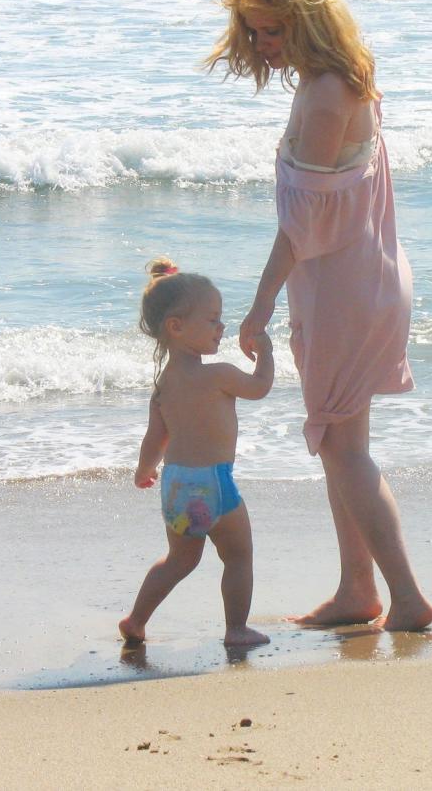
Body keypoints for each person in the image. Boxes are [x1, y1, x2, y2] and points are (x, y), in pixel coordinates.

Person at [205, 0, 432, 632]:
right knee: (340, 440)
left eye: (273, 28)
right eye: (254, 29)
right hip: (352, 277)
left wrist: (259, 303)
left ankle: (407, 597)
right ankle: (356, 592)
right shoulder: (337, 79)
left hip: (345, 288)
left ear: (306, 20)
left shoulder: (329, 93)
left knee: (343, 447)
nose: (262, 42)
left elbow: (302, 223)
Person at [119, 257, 274, 648]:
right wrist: (266, 352)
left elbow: (156, 437)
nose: (220, 327)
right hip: (214, 485)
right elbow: (259, 387)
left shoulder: (164, 386)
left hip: (175, 486)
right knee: (238, 557)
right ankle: (236, 629)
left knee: (179, 561)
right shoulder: (217, 375)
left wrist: (144, 470)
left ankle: (136, 620)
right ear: (176, 326)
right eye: (212, 320)